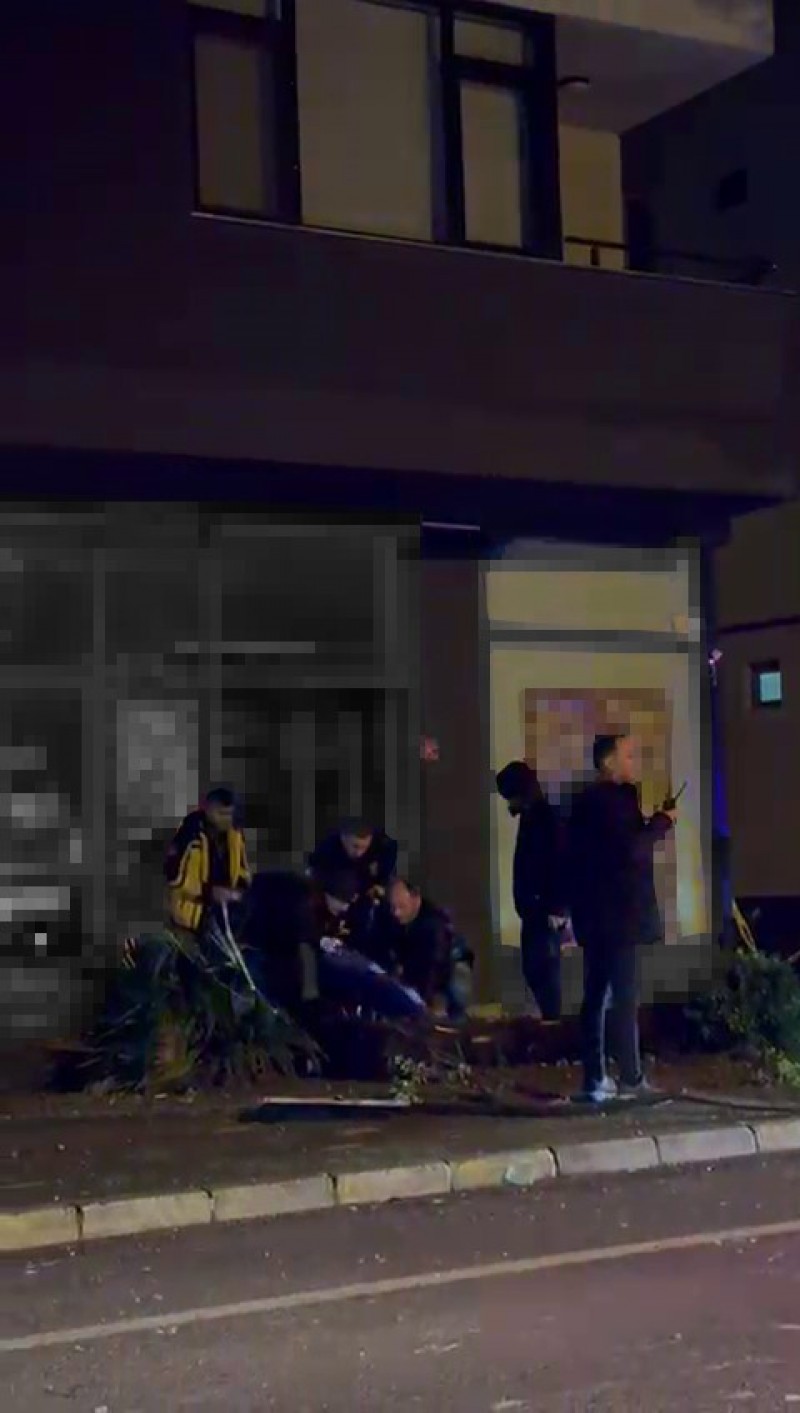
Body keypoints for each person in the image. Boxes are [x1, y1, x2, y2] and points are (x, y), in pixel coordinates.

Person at [568, 734, 677, 1103]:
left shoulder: (586, 802)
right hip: (618, 915)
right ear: (608, 762)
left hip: (596, 915)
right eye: (628, 755)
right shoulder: (612, 801)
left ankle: (595, 1078)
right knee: (624, 995)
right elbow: (632, 850)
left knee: (597, 994)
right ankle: (630, 1077)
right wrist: (661, 823)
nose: (635, 762)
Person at [495, 760, 569, 1021]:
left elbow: (558, 863)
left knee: (543, 972)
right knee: (536, 969)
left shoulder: (544, 819)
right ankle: (549, 1020)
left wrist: (557, 907)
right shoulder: (532, 818)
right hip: (534, 909)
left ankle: (552, 1023)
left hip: (544, 909)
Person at [164, 786, 251, 937]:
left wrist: (241, 891)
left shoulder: (235, 836)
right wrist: (211, 892)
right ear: (208, 811)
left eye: (230, 814)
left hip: (226, 910)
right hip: (192, 914)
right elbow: (177, 881)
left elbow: (242, 870)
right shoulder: (190, 836)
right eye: (222, 814)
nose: (227, 819)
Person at [385, 878, 474, 1020]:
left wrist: (427, 1002)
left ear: (415, 899)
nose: (396, 913)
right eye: (393, 907)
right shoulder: (401, 923)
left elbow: (434, 966)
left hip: (447, 979)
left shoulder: (433, 926)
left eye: (401, 906)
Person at [308, 817, 398, 955]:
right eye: (355, 846)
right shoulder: (325, 851)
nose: (359, 853)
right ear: (343, 838)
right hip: (334, 896)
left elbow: (386, 874)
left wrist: (379, 886)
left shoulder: (383, 845)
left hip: (364, 892)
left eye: (364, 847)